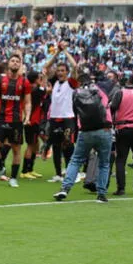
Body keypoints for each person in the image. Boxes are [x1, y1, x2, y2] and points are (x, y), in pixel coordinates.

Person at [54, 73, 113, 203]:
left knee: (75, 160)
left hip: (85, 131)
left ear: (79, 82)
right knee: (104, 163)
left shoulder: (76, 93)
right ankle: (101, 194)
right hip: (104, 129)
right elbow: (106, 107)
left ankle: (65, 188)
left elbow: (75, 113)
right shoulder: (99, 91)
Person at [0, 54, 32, 188]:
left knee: (16, 150)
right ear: (8, 64)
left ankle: (13, 178)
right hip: (1, 118)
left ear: (20, 65)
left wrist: (27, 117)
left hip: (16, 121)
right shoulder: (0, 80)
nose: (15, 63)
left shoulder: (24, 82)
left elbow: (27, 102)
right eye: (13, 61)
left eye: (17, 61)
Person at [42, 42, 79, 183]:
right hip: (54, 118)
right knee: (56, 146)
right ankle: (58, 174)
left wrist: (65, 51)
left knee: (68, 145)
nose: (60, 72)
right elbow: (46, 67)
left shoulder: (71, 83)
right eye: (58, 70)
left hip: (67, 118)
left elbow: (75, 66)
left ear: (67, 72)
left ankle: (72, 174)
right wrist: (57, 52)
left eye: (63, 70)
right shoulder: (55, 82)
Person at [20, 71, 49, 180]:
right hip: (31, 121)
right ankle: (25, 170)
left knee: (34, 145)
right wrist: (45, 76)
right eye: (39, 78)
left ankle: (30, 169)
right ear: (36, 79)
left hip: (33, 121)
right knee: (30, 145)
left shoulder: (30, 90)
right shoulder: (36, 90)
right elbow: (45, 88)